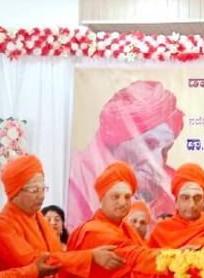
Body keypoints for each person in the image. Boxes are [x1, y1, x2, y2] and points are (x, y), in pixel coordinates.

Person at [67, 81, 185, 226]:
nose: (158, 162)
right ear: (117, 139)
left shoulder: (174, 186)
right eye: (149, 145)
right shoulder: (74, 178)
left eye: (166, 149)